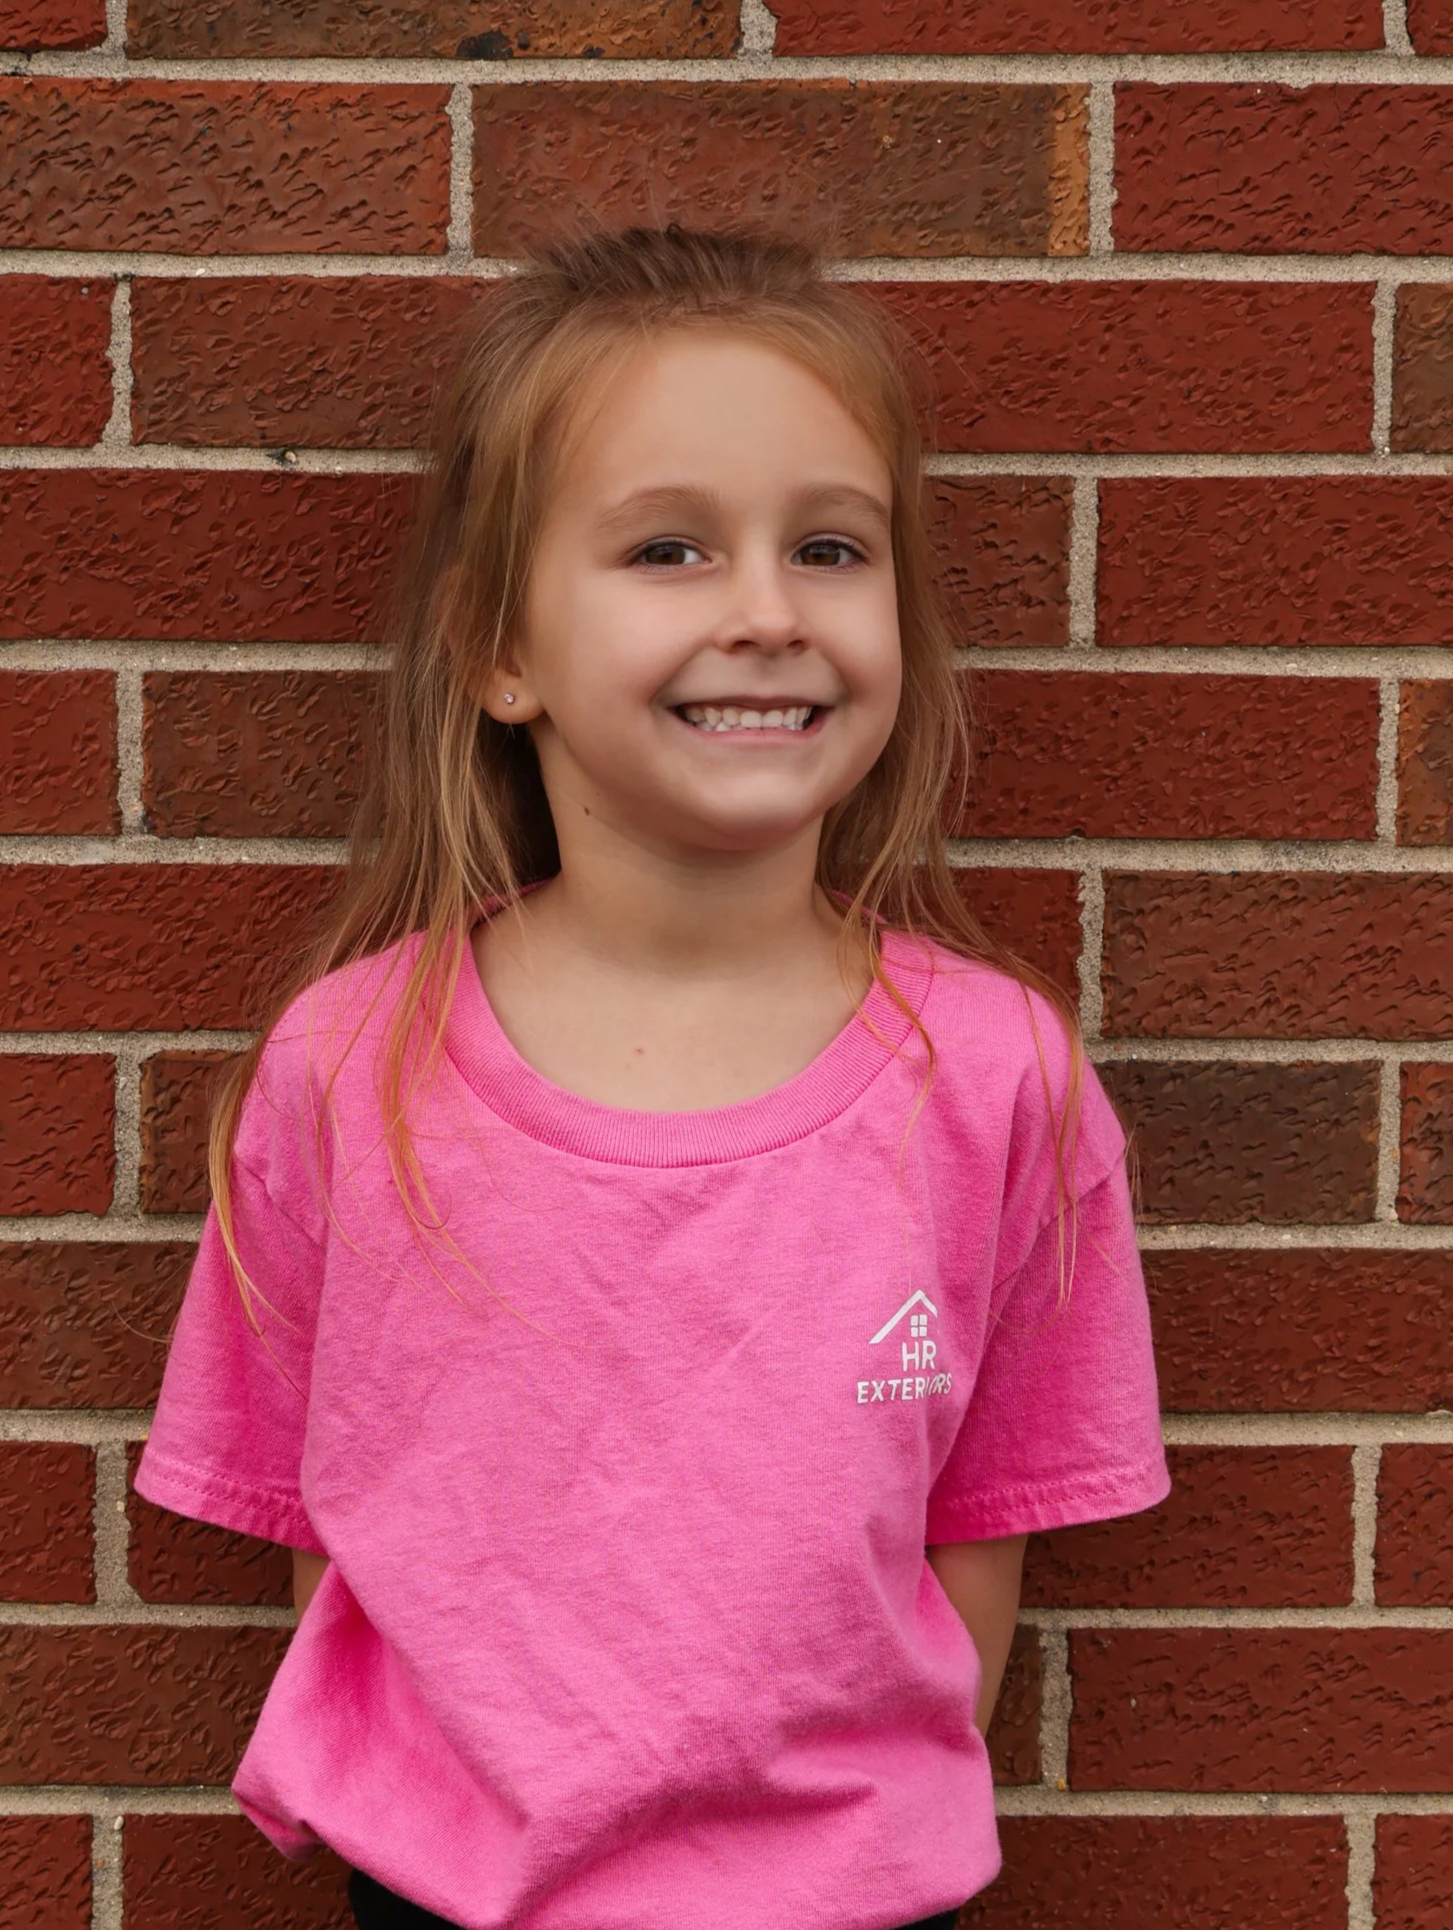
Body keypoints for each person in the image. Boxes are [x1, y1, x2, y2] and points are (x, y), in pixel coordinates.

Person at [134, 222, 1169, 1930]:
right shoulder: (348, 1071)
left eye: (829, 548)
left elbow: (985, 1528)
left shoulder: (995, 1076)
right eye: (671, 549)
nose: (766, 613)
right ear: (499, 651)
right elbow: (340, 1535)